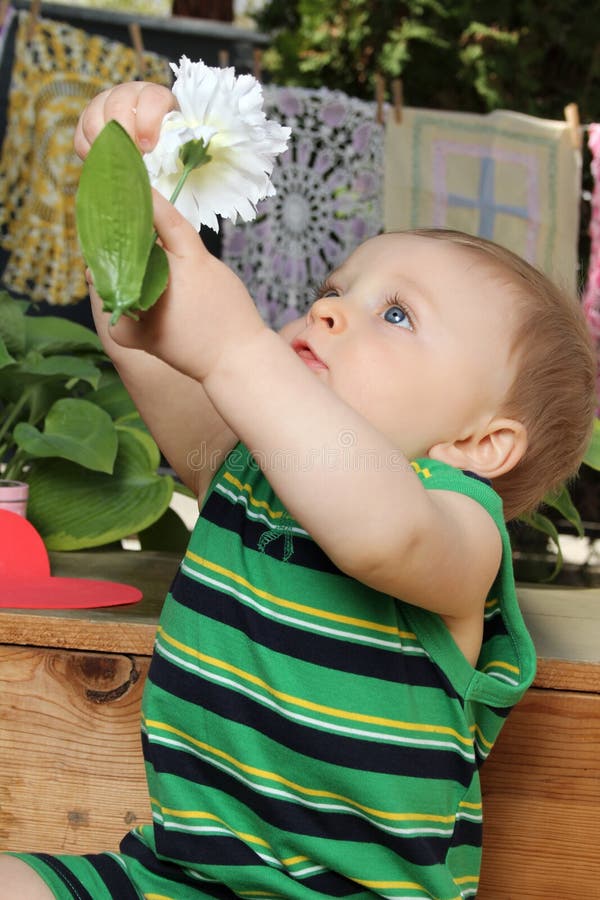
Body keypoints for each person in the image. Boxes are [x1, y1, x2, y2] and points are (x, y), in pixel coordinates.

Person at [0, 82, 596, 900]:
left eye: (396, 316)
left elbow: (382, 532)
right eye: (333, 288)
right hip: (179, 879)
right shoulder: (249, 468)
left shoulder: (456, 530)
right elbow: (144, 342)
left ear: (478, 443)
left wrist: (242, 350)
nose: (332, 311)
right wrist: (125, 190)